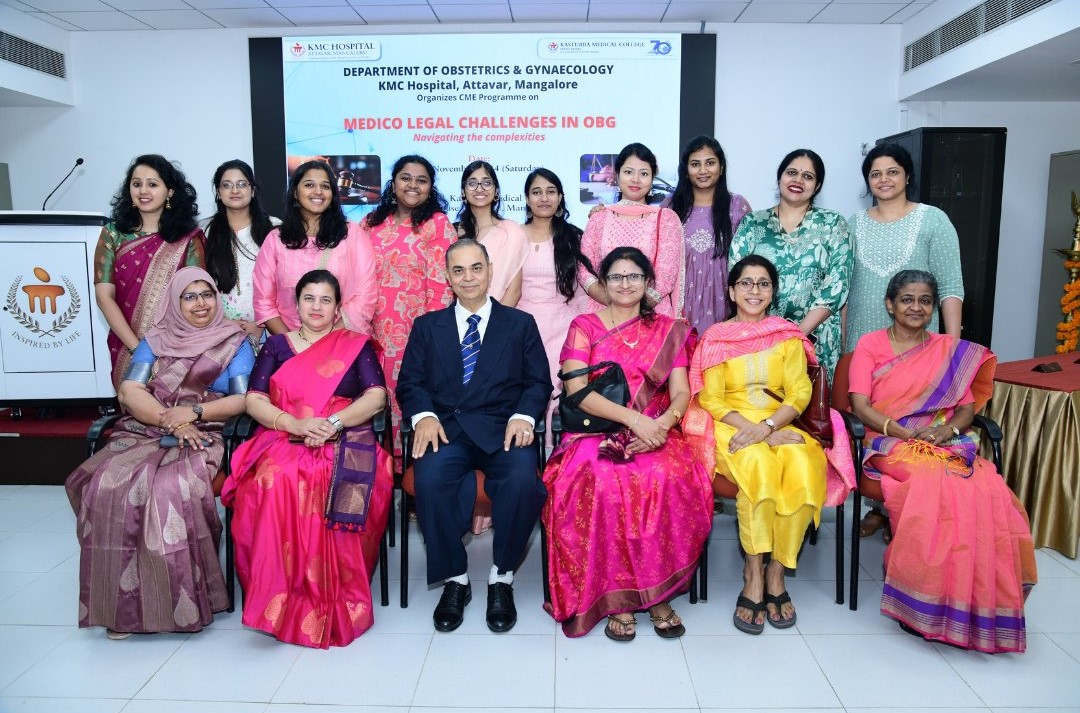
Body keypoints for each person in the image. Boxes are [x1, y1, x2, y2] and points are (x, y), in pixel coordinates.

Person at [847, 270, 1036, 653]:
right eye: (907, 299)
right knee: (931, 487)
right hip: (888, 439)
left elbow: (965, 409)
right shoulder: (870, 344)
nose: (916, 307)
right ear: (890, 304)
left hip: (941, 440)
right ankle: (922, 602)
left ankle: (975, 601)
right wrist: (902, 433)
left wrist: (946, 431)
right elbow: (860, 406)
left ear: (933, 308)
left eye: (925, 301)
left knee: (986, 486)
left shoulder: (948, 350)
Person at [66, 267, 253, 639]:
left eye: (207, 294)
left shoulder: (234, 341)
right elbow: (130, 391)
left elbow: (242, 399)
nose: (200, 304)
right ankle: (121, 609)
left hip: (207, 433)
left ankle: (177, 601)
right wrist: (172, 422)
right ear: (174, 301)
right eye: (189, 296)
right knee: (106, 483)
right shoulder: (156, 339)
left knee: (170, 488)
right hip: (149, 428)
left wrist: (193, 414)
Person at [542, 246, 712, 641]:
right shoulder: (585, 325)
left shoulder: (669, 329)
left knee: (668, 477)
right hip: (595, 430)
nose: (624, 284)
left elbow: (681, 392)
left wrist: (662, 425)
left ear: (648, 282)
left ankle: (657, 593)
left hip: (656, 428)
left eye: (633, 276)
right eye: (616, 276)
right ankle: (618, 598)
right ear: (603, 282)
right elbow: (576, 391)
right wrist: (634, 420)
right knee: (603, 480)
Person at [221, 269, 392, 649]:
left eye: (325, 300)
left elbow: (376, 396)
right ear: (296, 305)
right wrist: (294, 424)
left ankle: (336, 595)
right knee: (275, 476)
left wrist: (332, 424)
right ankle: (278, 598)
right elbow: (254, 399)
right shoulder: (277, 345)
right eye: (309, 298)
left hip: (344, 433)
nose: (317, 306)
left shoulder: (355, 345)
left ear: (337, 308)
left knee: (334, 473)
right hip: (284, 432)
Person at [396, 239, 551, 634]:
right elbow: (410, 382)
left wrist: (523, 416)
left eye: (476, 268)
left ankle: (502, 577)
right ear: (448, 277)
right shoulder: (427, 326)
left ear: (489, 271)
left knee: (522, 482)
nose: (468, 277)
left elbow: (538, 382)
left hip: (502, 430)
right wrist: (424, 416)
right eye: (459, 270)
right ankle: (456, 579)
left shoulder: (519, 324)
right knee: (430, 479)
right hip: (447, 429)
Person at [687, 255, 828, 635]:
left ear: (772, 292)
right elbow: (711, 399)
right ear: (732, 291)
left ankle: (777, 570)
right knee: (759, 469)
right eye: (746, 283)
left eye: (763, 284)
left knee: (803, 468)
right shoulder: (716, 338)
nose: (754, 290)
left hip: (779, 421)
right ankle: (753, 570)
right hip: (730, 425)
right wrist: (756, 430)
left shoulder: (787, 336)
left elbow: (799, 391)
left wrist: (768, 427)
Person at [845, 144, 966, 542]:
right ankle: (882, 508)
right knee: (874, 421)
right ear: (867, 181)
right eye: (875, 173)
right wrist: (846, 347)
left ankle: (906, 511)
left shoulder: (933, 220)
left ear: (907, 175)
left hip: (921, 344)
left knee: (917, 422)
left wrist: (951, 348)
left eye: (892, 171)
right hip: (866, 340)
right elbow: (845, 291)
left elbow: (950, 287)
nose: (884, 179)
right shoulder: (854, 224)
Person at [730, 149, 852, 378]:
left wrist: (798, 333)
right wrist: (768, 332)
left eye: (808, 176)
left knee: (812, 399)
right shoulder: (753, 223)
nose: (798, 180)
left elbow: (838, 284)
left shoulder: (833, 223)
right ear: (780, 178)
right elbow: (737, 277)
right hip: (761, 336)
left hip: (817, 336)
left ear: (817, 186)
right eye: (792, 172)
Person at [363, 155, 456, 439]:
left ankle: (410, 461)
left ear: (430, 188)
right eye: (406, 178)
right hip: (370, 332)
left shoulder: (437, 224)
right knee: (371, 402)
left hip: (415, 334)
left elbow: (441, 288)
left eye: (421, 180)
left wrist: (429, 337)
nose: (413, 185)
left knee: (412, 399)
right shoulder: (370, 223)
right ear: (393, 184)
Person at [94, 154, 205, 387]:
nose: (143, 191)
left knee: (176, 404)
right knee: (132, 402)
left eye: (152, 184)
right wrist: (138, 350)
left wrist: (171, 349)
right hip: (126, 343)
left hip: (177, 348)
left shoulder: (188, 239)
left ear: (170, 192)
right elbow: (104, 297)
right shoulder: (112, 234)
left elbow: (196, 299)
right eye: (137, 184)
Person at [252, 160, 377, 337]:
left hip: (342, 341)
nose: (318, 191)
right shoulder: (275, 239)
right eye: (309, 185)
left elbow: (366, 295)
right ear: (295, 192)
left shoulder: (353, 235)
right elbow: (263, 301)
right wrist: (294, 344)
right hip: (289, 343)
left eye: (325, 186)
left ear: (332, 194)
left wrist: (328, 341)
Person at [517, 168, 595, 446]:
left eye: (551, 192)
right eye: (536, 192)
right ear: (527, 199)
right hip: (523, 326)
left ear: (560, 198)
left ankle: (557, 450)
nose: (544, 198)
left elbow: (583, 289)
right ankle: (526, 450)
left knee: (562, 390)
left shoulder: (574, 237)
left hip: (563, 326)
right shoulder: (513, 236)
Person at [579, 143, 684, 318]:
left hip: (651, 316)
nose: (636, 179)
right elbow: (584, 268)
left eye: (644, 174)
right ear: (617, 175)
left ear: (652, 179)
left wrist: (632, 309)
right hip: (604, 315)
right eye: (628, 172)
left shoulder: (666, 219)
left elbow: (666, 277)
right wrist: (614, 303)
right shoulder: (599, 218)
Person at [665, 135, 752, 333]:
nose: (703, 170)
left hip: (725, 305)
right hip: (678, 307)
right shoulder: (670, 207)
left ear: (721, 168)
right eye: (695, 164)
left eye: (710, 163)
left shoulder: (737, 206)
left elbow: (749, 263)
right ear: (686, 170)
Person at [201, 159, 280, 347]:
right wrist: (224, 322)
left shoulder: (275, 228)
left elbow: (285, 283)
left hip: (268, 330)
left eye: (242, 184)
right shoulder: (204, 230)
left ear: (253, 190)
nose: (235, 190)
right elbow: (198, 283)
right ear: (218, 192)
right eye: (227, 185)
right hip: (218, 331)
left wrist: (262, 324)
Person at [455, 160, 529, 306]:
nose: (479, 188)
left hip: (499, 316)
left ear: (496, 191)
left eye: (487, 183)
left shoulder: (511, 231)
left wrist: (494, 320)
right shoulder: (453, 233)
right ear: (463, 192)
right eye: (472, 183)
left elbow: (514, 291)